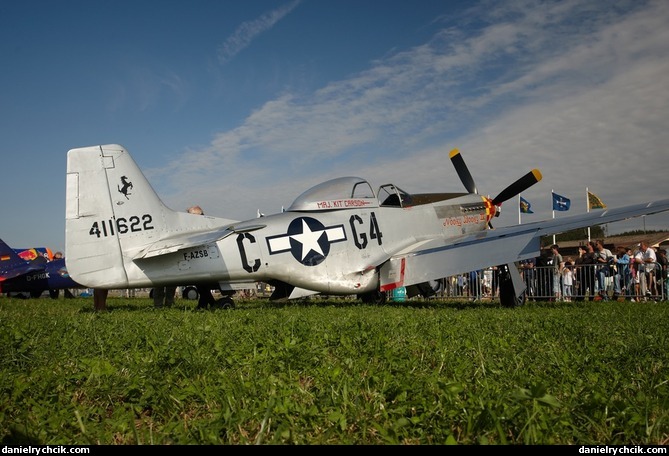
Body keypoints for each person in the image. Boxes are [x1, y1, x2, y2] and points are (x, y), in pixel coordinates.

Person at [187, 205, 218, 309]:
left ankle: (206, 305)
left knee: (202, 285)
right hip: (199, 258)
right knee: (201, 285)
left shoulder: (201, 227)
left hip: (205, 258)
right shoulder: (204, 225)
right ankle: (206, 304)